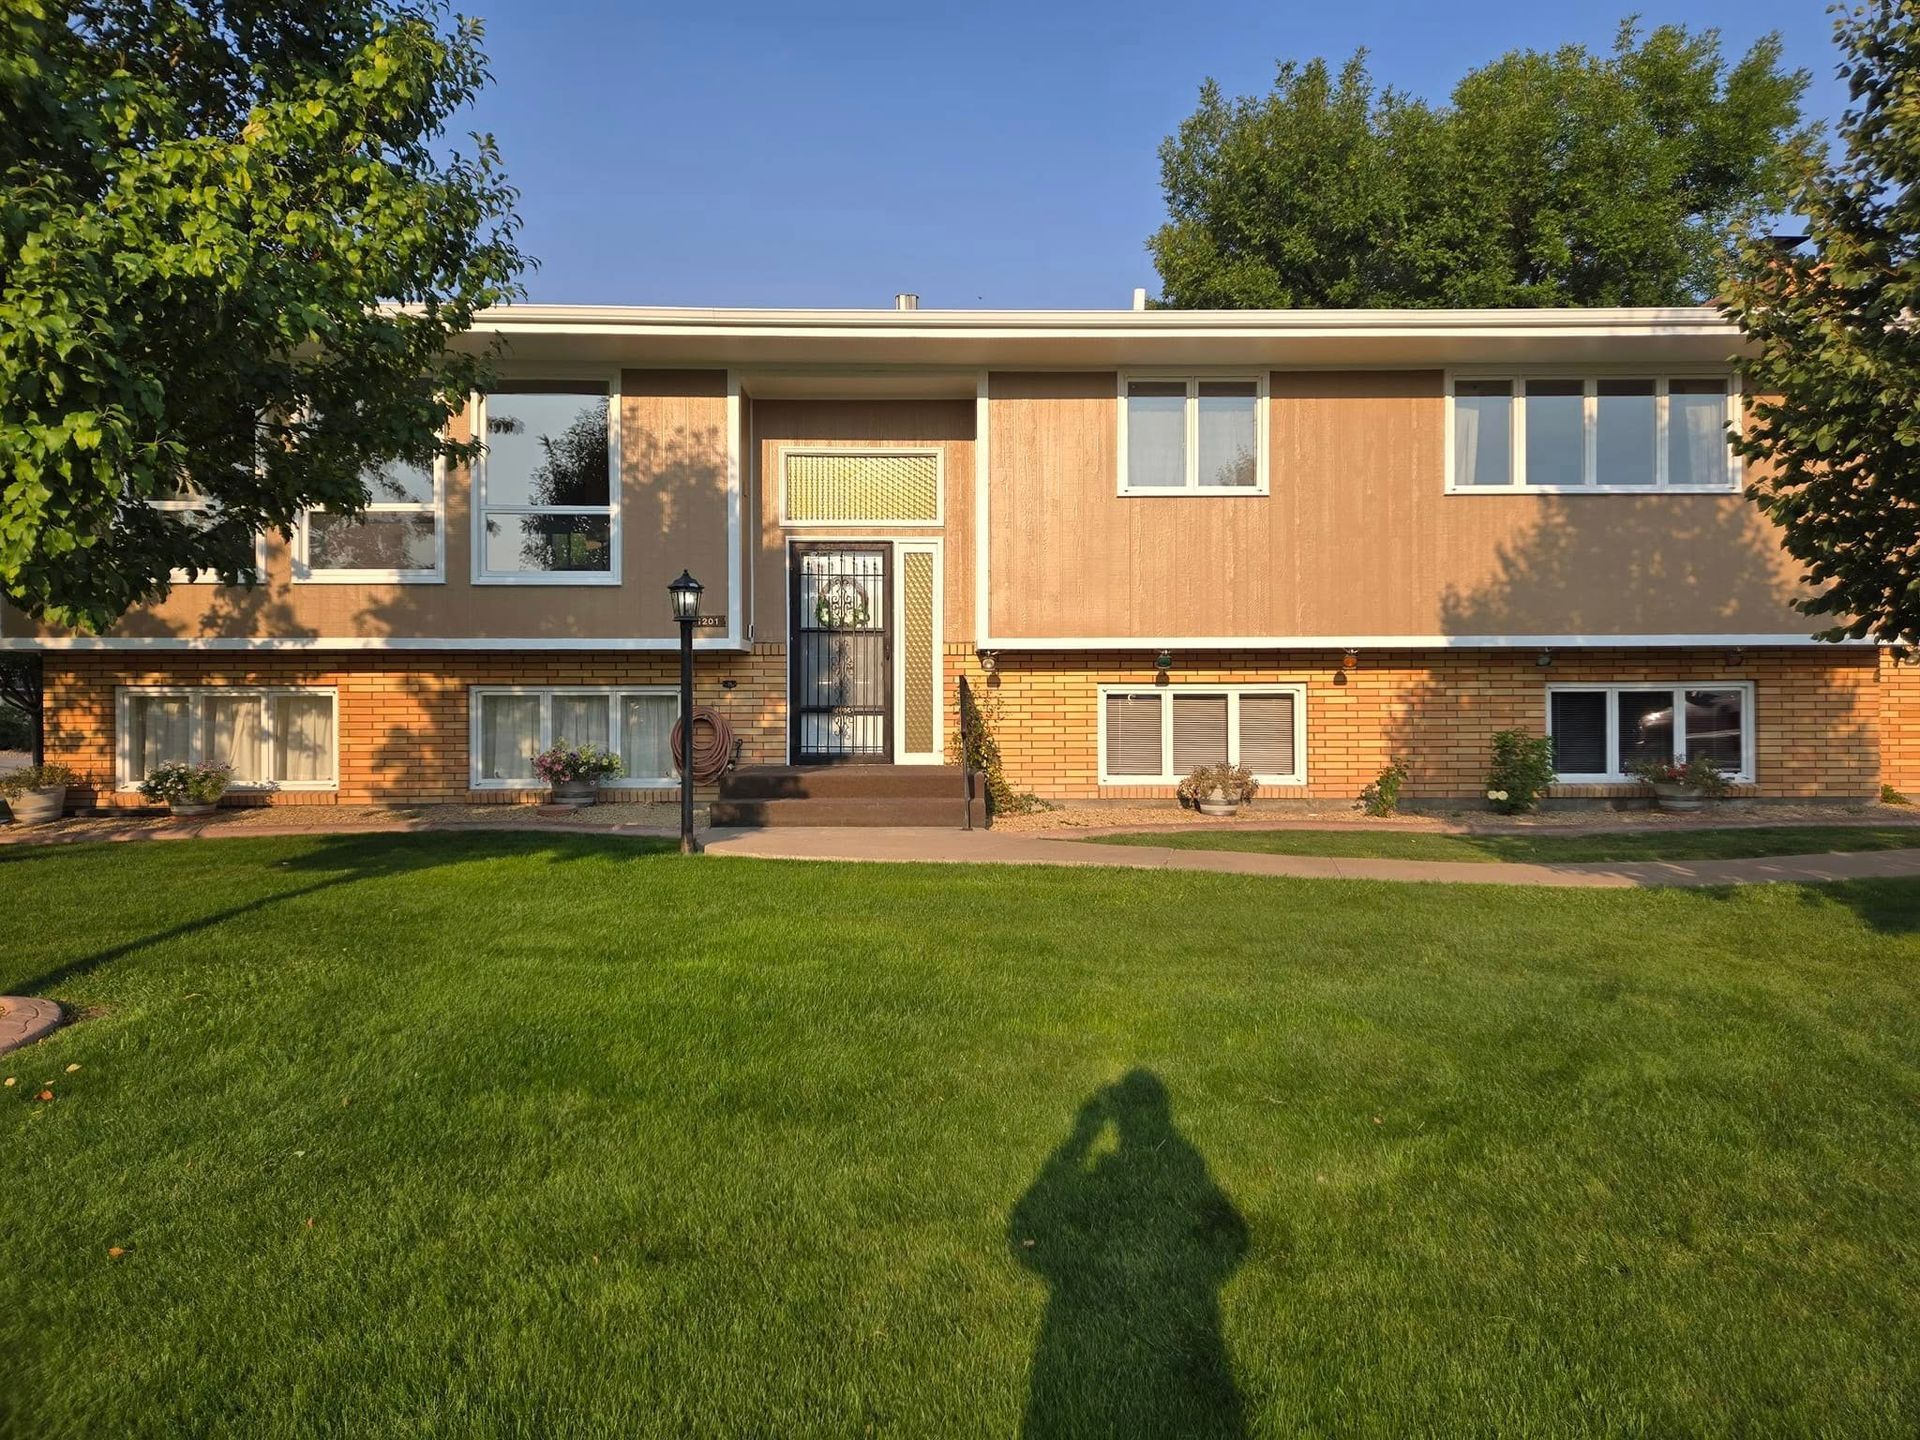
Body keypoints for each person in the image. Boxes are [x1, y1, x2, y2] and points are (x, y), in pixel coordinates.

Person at [1009, 1070, 1250, 1438]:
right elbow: (1233, 1237)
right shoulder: (1183, 1155)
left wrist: (1081, 1137)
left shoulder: (1180, 1156)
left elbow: (1024, 1231)